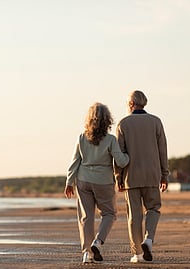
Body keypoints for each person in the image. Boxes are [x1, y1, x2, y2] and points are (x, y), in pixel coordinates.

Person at [65, 102, 129, 264]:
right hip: (103, 181)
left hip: (83, 180)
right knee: (109, 214)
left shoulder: (81, 138)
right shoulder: (110, 140)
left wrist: (69, 182)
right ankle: (98, 242)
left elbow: (74, 162)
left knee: (86, 217)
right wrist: (128, 156)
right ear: (107, 120)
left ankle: (87, 253)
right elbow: (121, 162)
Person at [114, 90, 169, 263]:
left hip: (131, 177)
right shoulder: (156, 122)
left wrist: (118, 178)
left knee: (134, 216)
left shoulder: (123, 124)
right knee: (153, 209)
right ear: (143, 103)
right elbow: (163, 150)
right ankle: (149, 239)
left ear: (131, 104)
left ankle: (137, 253)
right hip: (152, 175)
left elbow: (119, 154)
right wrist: (164, 174)